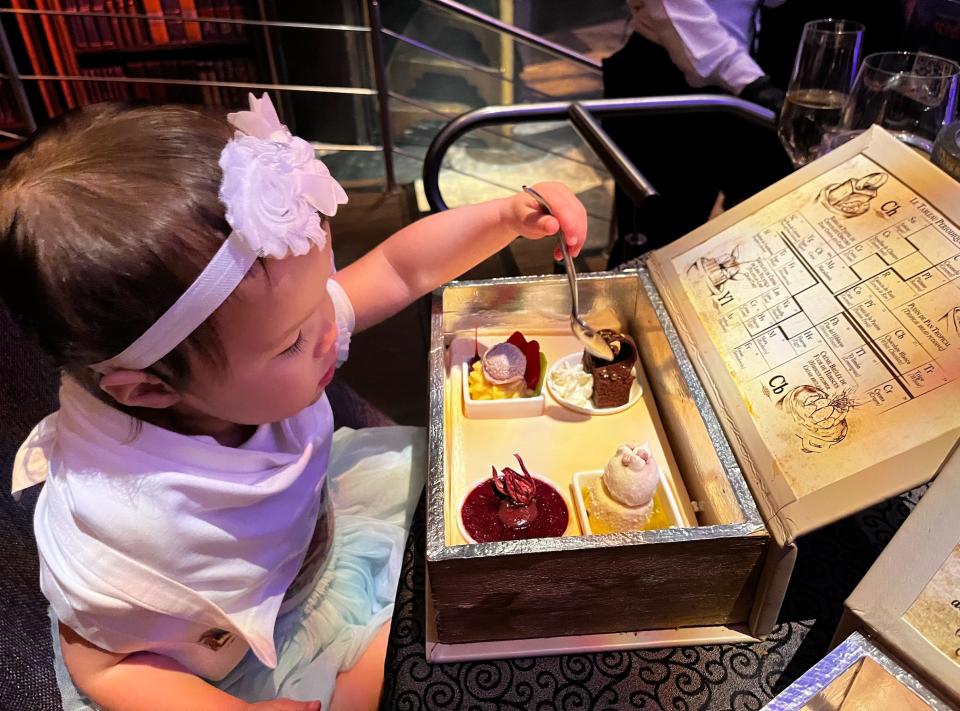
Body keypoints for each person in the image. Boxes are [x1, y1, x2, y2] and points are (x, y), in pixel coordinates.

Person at [0, 95, 587, 711]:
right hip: (244, 658)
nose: (331, 325)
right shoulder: (122, 526)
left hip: (319, 537)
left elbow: (396, 271)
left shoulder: (261, 326)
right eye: (292, 341)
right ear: (150, 387)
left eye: (322, 291)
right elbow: (107, 668)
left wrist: (502, 217)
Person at [603, 0, 794, 267]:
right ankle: (619, 306)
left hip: (737, 75)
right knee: (654, 240)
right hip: (666, 78)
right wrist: (754, 85)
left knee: (690, 236)